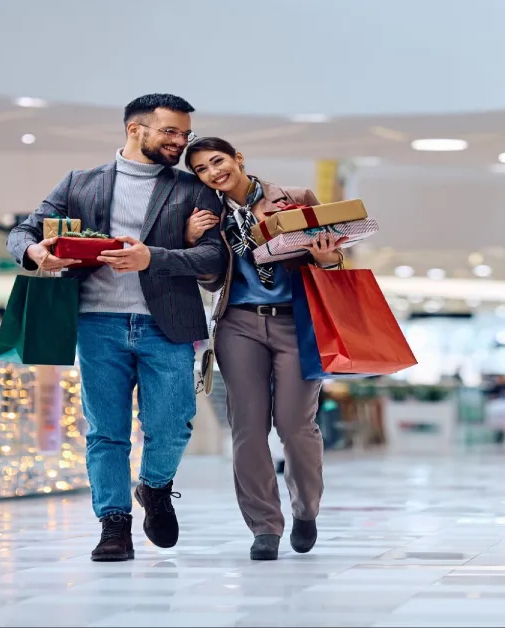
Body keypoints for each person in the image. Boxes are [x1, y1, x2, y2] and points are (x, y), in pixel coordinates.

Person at [6, 94, 226, 562]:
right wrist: (36, 253)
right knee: (106, 431)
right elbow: (22, 232)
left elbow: (214, 258)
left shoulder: (194, 190)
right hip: (95, 323)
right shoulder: (80, 183)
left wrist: (155, 256)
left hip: (166, 323)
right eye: (170, 131)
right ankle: (114, 525)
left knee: (170, 425)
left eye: (185, 134)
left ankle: (155, 486)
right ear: (135, 130)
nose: (180, 142)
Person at [183, 137, 346, 561]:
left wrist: (327, 260)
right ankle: (265, 527)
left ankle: (306, 509)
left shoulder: (294, 199)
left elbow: (332, 263)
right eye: (201, 169)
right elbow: (212, 280)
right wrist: (191, 242)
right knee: (248, 429)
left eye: (217, 161)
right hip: (239, 323)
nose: (213, 172)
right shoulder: (207, 216)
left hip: (296, 321)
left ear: (237, 159)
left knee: (296, 424)